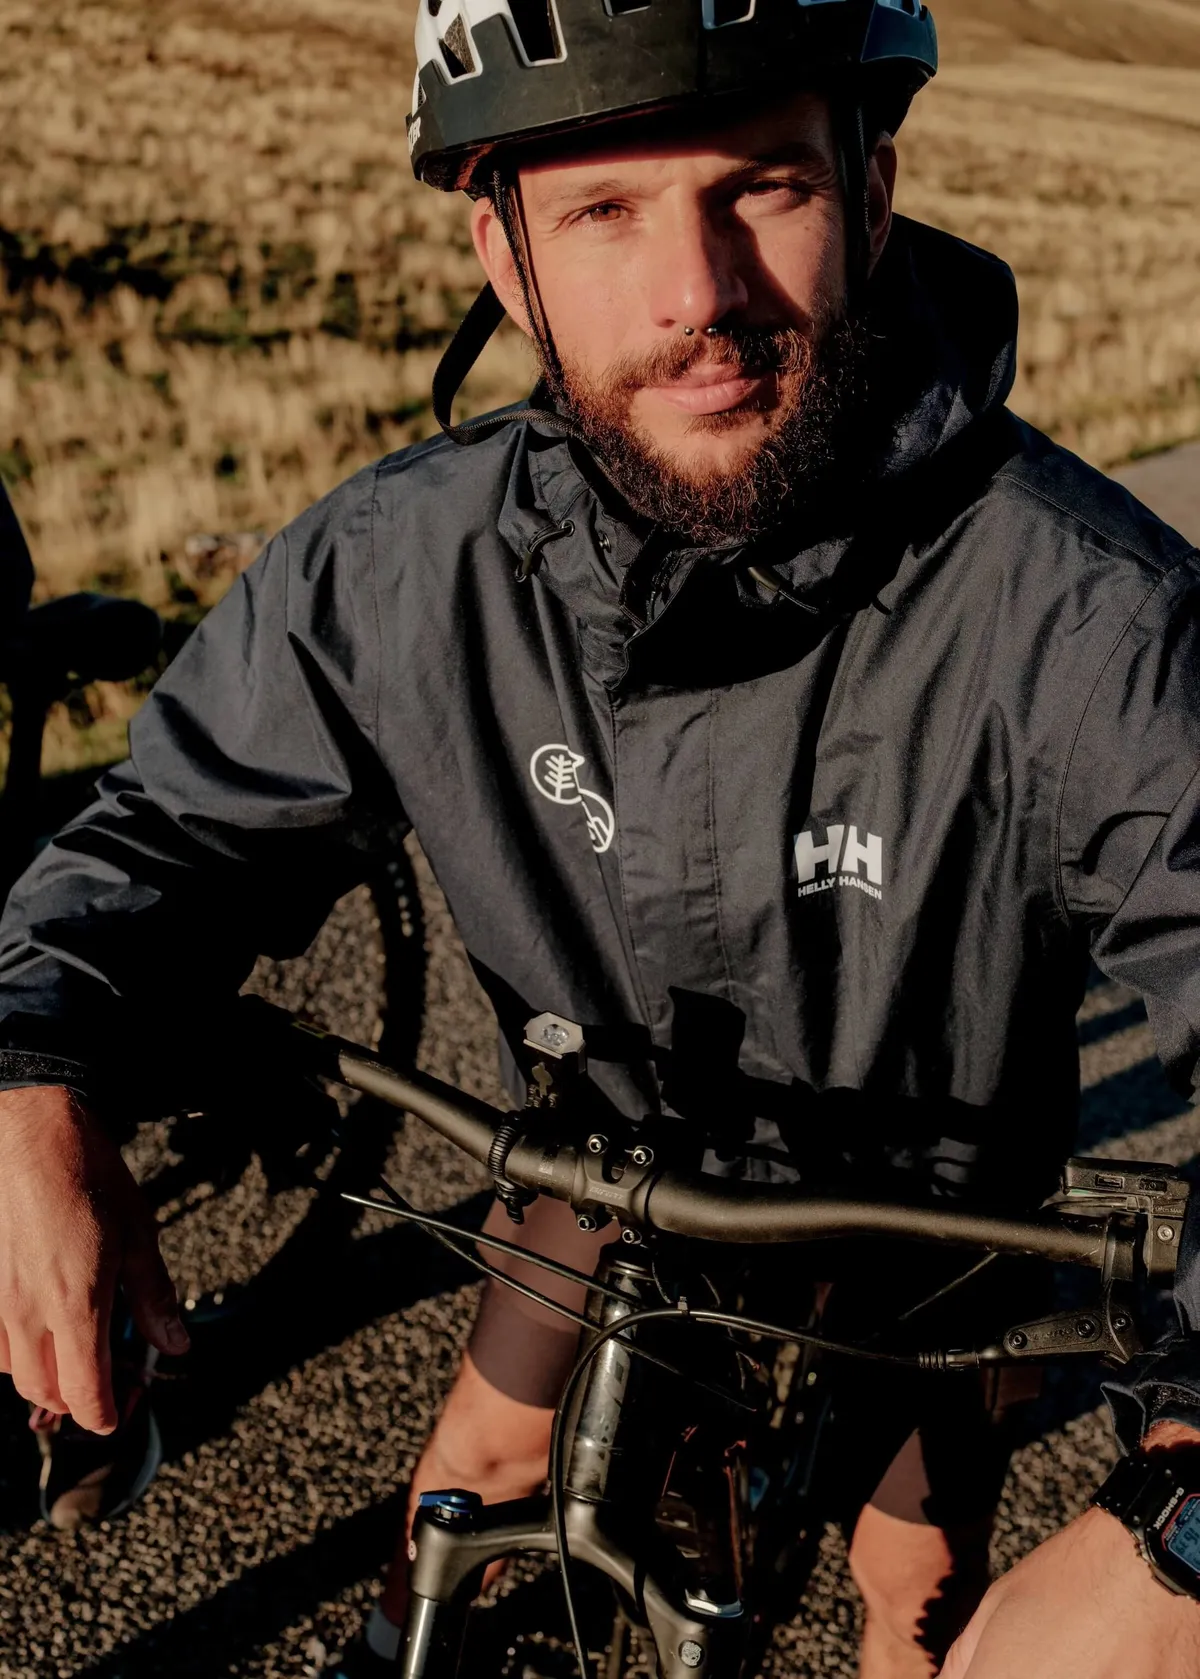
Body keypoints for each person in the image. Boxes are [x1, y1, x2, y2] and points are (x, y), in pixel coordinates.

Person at [1, 0, 1199, 1673]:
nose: (698, 297)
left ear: (872, 187)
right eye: (603, 210)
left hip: (936, 1250)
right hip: (603, 1170)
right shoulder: (400, 571)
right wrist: (36, 1085)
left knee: (922, 1595)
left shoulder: (1098, 625)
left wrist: (1179, 1536)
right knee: (460, 1503)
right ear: (503, 251)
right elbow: (165, 838)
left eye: (760, 187)